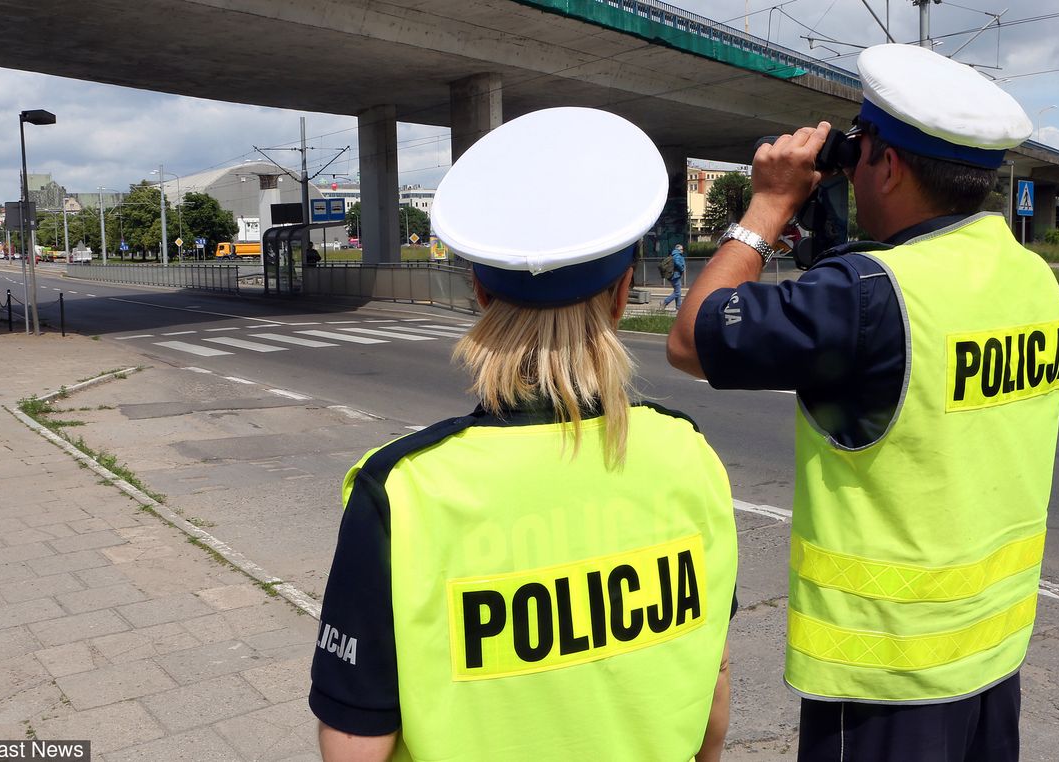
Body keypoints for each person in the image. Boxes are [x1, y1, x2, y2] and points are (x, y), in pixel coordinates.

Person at [666, 43, 1059, 762]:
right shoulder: (1030, 276)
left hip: (888, 680)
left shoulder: (869, 293)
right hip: (992, 657)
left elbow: (692, 337)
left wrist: (767, 206)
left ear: (884, 161)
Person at [310, 107, 739, 762]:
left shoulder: (400, 493)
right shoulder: (687, 455)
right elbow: (712, 702)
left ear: (480, 293)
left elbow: (355, 748)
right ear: (624, 294)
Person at [660, 242, 686, 311]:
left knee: (678, 291)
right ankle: (665, 302)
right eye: (682, 249)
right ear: (679, 249)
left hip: (674, 275)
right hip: (675, 275)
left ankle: (678, 307)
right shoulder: (677, 255)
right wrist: (682, 268)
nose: (683, 250)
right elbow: (677, 263)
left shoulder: (673, 254)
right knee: (677, 292)